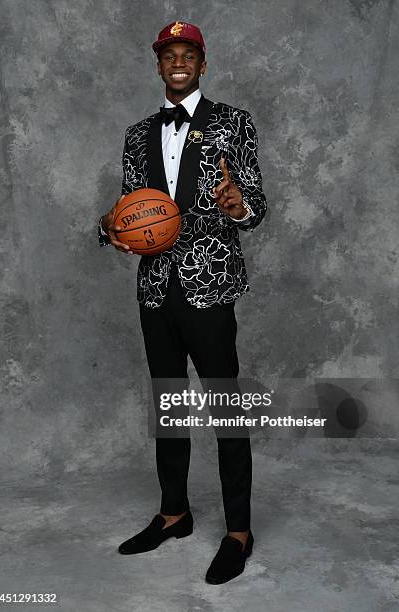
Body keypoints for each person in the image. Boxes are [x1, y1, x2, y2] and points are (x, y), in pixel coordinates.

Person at [98, 20, 268, 584]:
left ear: (202, 63)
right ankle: (174, 513)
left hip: (210, 284)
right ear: (158, 65)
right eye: (168, 54)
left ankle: (239, 531)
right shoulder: (138, 134)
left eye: (187, 54)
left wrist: (237, 203)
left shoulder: (232, 122)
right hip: (155, 289)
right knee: (168, 404)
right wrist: (111, 230)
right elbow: (132, 209)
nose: (178, 62)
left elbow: (258, 206)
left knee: (224, 406)